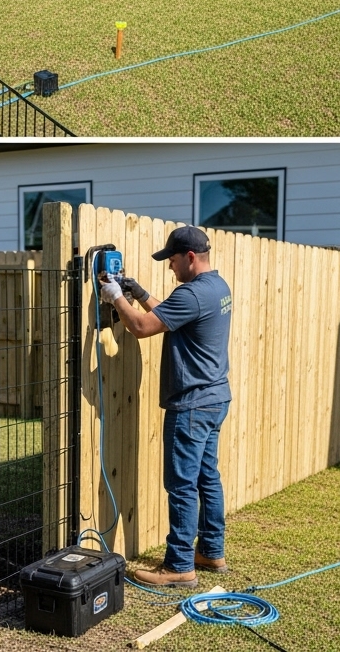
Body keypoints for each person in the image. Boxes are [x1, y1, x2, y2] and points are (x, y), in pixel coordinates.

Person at [100, 225, 232, 589]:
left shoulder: (192, 293)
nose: (169, 266)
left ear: (190, 257)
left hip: (191, 404)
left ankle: (179, 565)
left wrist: (115, 298)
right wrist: (138, 292)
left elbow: (143, 327)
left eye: (172, 260)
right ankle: (211, 551)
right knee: (208, 478)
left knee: (182, 484)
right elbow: (171, 316)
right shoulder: (217, 287)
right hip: (215, 398)